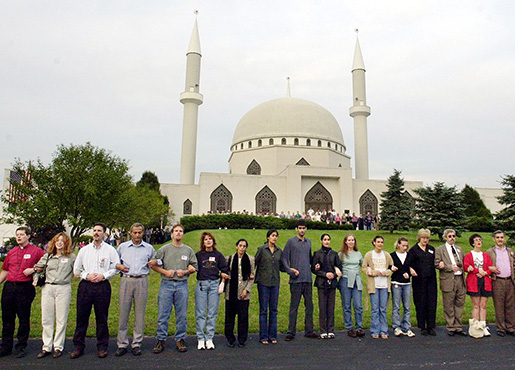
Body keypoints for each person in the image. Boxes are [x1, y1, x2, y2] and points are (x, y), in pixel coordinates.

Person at [70, 223, 120, 359]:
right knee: (81, 317)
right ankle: (78, 347)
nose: (96, 233)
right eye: (95, 230)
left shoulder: (110, 250)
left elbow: (116, 267)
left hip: (102, 286)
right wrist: (87, 275)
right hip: (86, 286)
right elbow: (77, 269)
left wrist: (104, 275)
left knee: (102, 317)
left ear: (105, 234)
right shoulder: (84, 250)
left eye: (99, 231)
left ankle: (102, 347)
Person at [151, 224, 197, 354]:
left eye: (180, 231)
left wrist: (187, 271)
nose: (178, 233)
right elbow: (152, 264)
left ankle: (180, 339)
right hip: (166, 284)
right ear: (171, 234)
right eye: (176, 231)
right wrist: (165, 272)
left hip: (182, 285)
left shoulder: (188, 250)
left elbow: (194, 267)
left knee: (181, 314)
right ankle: (160, 339)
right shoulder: (164, 249)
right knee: (163, 314)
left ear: (183, 234)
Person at [0, 226, 45, 358]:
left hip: (25, 288)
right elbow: (5, 270)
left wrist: (34, 269)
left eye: (21, 234)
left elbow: (45, 264)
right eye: (17, 235)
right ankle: (6, 346)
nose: (19, 237)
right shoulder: (12, 252)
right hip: (9, 287)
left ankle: (21, 346)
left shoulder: (36, 251)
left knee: (23, 318)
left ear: (28, 236)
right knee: (7, 318)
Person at [114, 223, 156, 357]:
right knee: (123, 312)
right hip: (126, 280)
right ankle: (122, 344)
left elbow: (157, 261)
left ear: (143, 233)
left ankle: (137, 343)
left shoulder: (149, 248)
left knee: (140, 313)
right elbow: (114, 262)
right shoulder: (122, 247)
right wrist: (119, 266)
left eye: (139, 233)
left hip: (141, 280)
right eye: (135, 233)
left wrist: (155, 262)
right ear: (130, 233)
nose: (137, 235)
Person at [33, 233, 76, 359]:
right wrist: (36, 278)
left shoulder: (71, 257)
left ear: (66, 243)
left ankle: (58, 346)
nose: (60, 243)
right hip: (48, 287)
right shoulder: (47, 256)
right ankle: (46, 346)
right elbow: (37, 268)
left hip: (63, 287)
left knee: (61, 319)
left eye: (62, 241)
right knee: (47, 318)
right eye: (57, 240)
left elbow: (77, 270)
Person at [281, 219, 318, 341]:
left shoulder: (308, 243)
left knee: (309, 306)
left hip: (307, 279)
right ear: (296, 229)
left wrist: (316, 266)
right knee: (294, 306)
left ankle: (309, 330)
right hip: (296, 280)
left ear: (306, 229)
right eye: (300, 228)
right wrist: (290, 270)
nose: (302, 230)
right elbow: (284, 259)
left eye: (304, 228)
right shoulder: (291, 242)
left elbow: (310, 260)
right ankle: (291, 332)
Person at [195, 232, 229, 350]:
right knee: (200, 313)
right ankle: (200, 338)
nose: (208, 241)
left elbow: (225, 269)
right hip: (202, 285)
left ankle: (209, 338)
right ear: (203, 242)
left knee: (212, 313)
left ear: (213, 242)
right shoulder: (199, 255)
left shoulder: (218, 255)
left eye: (210, 239)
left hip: (214, 284)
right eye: (206, 239)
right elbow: (193, 267)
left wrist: (224, 276)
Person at [435, 229, 467, 336]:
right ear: (445, 237)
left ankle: (458, 326)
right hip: (448, 279)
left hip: (460, 279)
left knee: (459, 303)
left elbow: (463, 262)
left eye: (453, 236)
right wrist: (449, 267)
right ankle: (450, 326)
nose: (452, 238)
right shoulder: (440, 250)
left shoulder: (459, 249)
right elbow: (437, 264)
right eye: (449, 236)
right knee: (448, 304)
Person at [254, 229, 284, 345]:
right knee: (263, 310)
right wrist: (251, 274)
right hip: (263, 282)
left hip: (275, 282)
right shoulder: (262, 249)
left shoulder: (278, 251)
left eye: (276, 236)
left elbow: (282, 266)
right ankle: (263, 336)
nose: (274, 238)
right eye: (272, 236)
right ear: (268, 237)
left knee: (273, 310)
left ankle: (272, 335)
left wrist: (290, 270)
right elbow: (255, 262)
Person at [363, 236, 395, 339]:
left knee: (383, 309)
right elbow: (364, 268)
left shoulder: (386, 255)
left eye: (382, 242)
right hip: (374, 285)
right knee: (375, 309)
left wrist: (386, 272)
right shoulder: (369, 255)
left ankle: (384, 330)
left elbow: (392, 268)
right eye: (378, 242)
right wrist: (372, 272)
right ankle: (375, 330)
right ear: (374, 243)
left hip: (384, 285)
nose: (380, 244)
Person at [224, 239, 255, 347]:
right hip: (231, 292)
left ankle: (242, 339)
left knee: (243, 317)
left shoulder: (250, 259)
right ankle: (230, 338)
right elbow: (223, 272)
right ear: (236, 246)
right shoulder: (229, 259)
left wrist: (246, 290)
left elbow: (252, 277)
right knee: (229, 317)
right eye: (240, 245)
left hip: (244, 293)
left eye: (244, 246)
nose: (242, 248)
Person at [312, 234, 342, 338]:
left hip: (332, 283)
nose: (326, 241)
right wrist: (324, 274)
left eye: (328, 240)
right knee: (322, 306)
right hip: (321, 283)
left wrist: (335, 271)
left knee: (331, 307)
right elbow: (313, 268)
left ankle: (331, 329)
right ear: (321, 241)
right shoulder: (317, 253)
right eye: (325, 240)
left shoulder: (334, 254)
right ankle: (323, 330)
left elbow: (339, 266)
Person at [486, 230, 515, 336]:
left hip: (509, 280)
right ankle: (501, 328)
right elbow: (485, 265)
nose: (500, 239)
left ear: (505, 239)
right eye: (497, 237)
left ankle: (510, 327)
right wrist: (491, 268)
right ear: (494, 239)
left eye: (502, 237)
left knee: (510, 305)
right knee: (499, 305)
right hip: (497, 281)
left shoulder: (510, 251)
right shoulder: (490, 252)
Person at [409, 228, 437, 336]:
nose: (425, 240)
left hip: (431, 279)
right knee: (420, 302)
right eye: (423, 238)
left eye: (427, 238)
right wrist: (411, 269)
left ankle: (430, 326)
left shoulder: (431, 249)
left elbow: (435, 261)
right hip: (419, 280)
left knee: (431, 302)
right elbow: (409, 263)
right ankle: (422, 326)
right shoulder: (414, 250)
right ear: (419, 238)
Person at [464, 233, 493, 337]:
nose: (478, 241)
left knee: (483, 305)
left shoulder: (485, 255)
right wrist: (477, 270)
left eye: (480, 240)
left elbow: (490, 267)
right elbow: (467, 267)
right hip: (473, 282)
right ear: (472, 243)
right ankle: (475, 327)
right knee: (476, 305)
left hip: (485, 281)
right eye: (476, 240)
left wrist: (485, 273)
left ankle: (483, 326)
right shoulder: (469, 255)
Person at [338, 234, 365, 338]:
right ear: (345, 242)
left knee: (358, 305)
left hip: (356, 280)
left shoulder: (358, 254)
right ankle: (349, 327)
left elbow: (364, 265)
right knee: (347, 305)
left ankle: (359, 327)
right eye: (349, 240)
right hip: (345, 279)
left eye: (353, 240)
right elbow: (335, 265)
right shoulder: (341, 254)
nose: (351, 242)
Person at [390, 237, 415, 337]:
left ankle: (406, 327)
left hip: (407, 284)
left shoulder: (409, 256)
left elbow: (412, 267)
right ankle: (396, 326)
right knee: (396, 306)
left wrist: (410, 272)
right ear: (398, 245)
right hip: (396, 283)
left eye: (406, 246)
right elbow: (390, 267)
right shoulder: (392, 256)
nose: (405, 248)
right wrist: (393, 269)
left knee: (407, 306)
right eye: (403, 245)